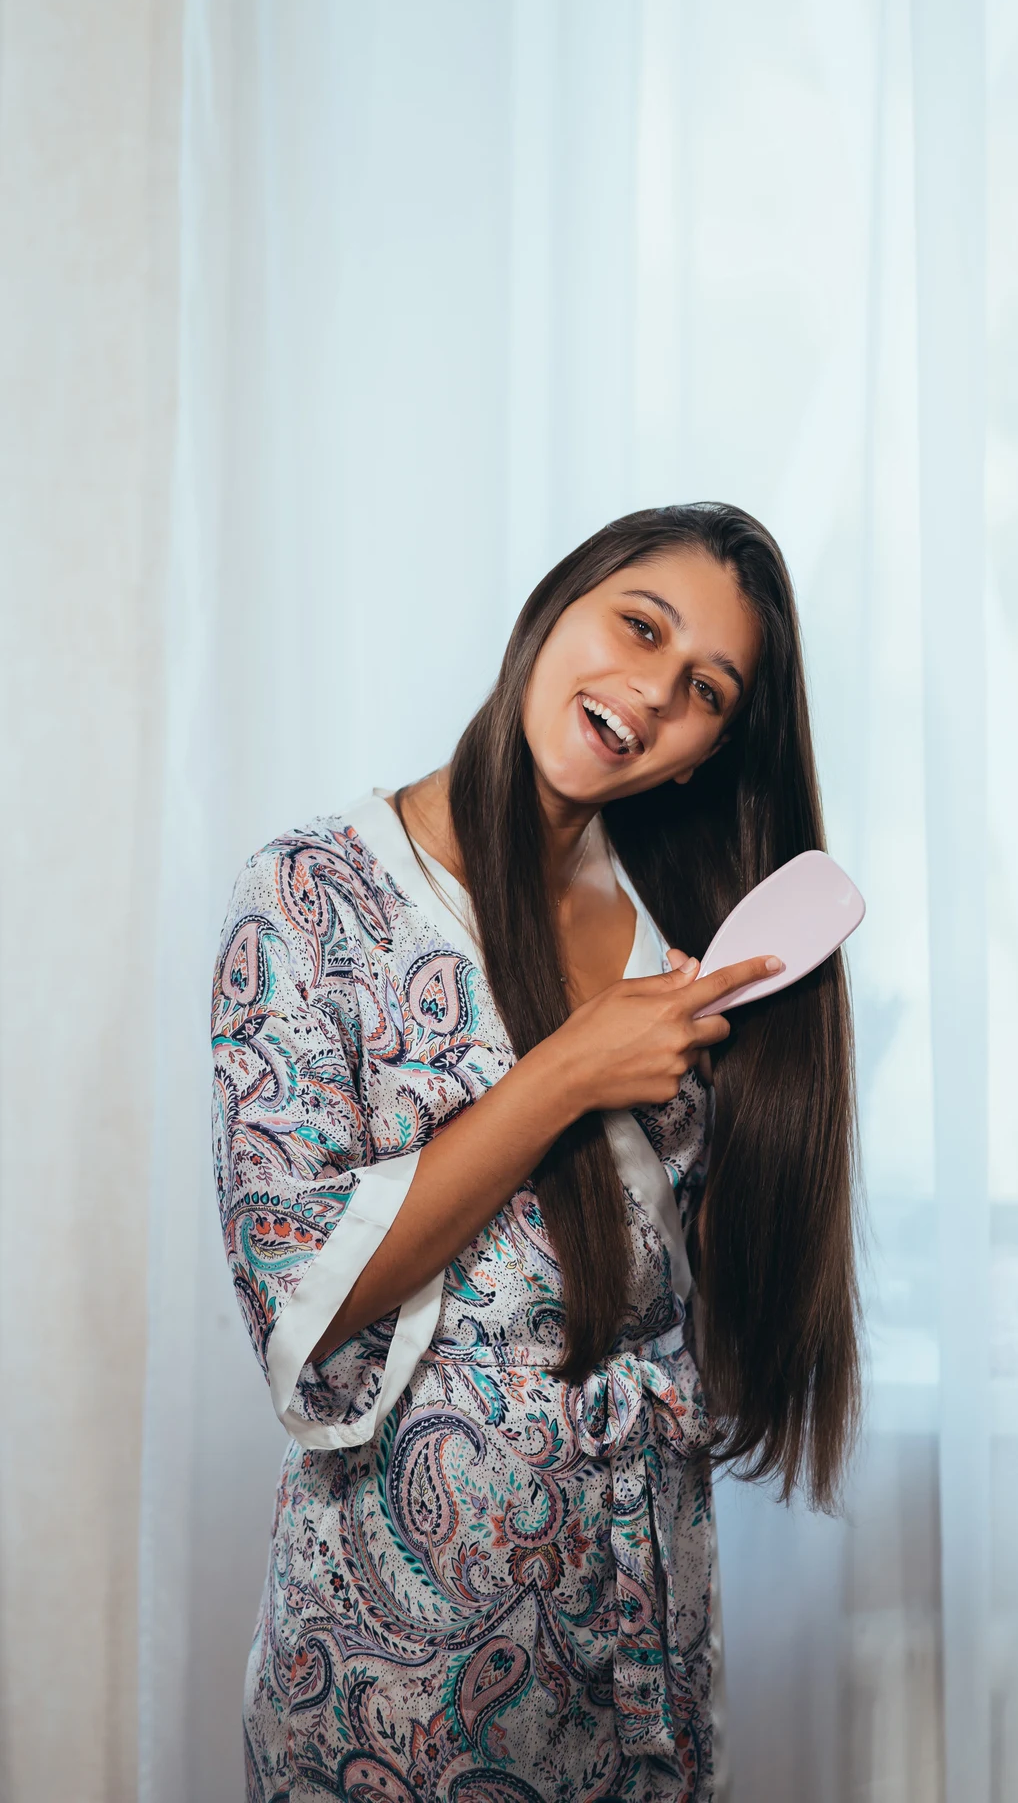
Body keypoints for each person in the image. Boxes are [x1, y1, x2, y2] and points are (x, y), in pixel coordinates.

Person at [212, 502, 860, 1802]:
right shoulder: (310, 898)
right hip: (398, 1666)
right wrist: (571, 1071)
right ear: (556, 607)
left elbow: (698, 1293)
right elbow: (304, 1298)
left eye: (705, 692)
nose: (652, 690)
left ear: (700, 758)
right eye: (640, 625)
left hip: (642, 1633)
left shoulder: (676, 934)